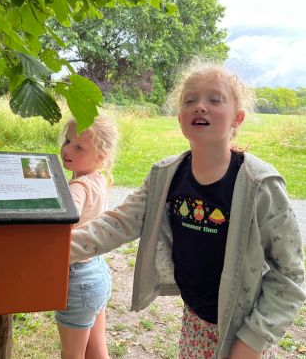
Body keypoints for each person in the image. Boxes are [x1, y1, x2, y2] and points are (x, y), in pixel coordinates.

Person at [69, 60, 305, 358]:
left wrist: (253, 340)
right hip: (195, 322)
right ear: (180, 119)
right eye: (190, 100)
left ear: (238, 118)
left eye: (214, 100)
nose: (200, 107)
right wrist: (57, 248)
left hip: (244, 330)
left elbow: (290, 273)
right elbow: (118, 223)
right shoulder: (167, 175)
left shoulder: (260, 185)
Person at [55, 115, 117, 359]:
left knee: (72, 354)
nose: (67, 149)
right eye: (67, 140)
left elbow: (63, 225)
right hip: (97, 274)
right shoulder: (98, 179)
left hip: (77, 280)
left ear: (100, 157)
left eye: (78, 147)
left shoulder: (77, 188)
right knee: (97, 352)